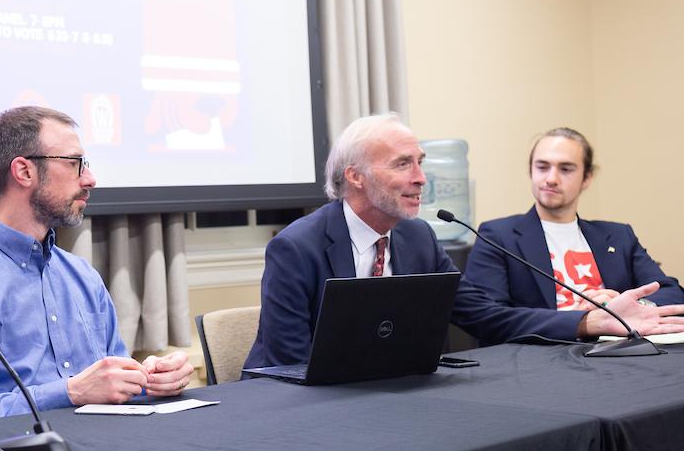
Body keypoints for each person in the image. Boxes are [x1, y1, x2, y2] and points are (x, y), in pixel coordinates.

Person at [243, 114, 684, 370]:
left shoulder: (418, 239)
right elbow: (290, 365)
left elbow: (486, 317)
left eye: (421, 162)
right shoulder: (296, 247)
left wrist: (590, 323)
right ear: (355, 176)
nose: (421, 178)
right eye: (403, 165)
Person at [0, 106, 192, 424]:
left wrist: (151, 381)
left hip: (104, 450)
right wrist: (69, 393)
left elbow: (111, 387)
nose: (90, 179)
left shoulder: (82, 276)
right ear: (24, 172)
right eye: (74, 164)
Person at [464, 127, 682, 310]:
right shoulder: (497, 236)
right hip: (545, 355)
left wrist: (626, 306)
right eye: (542, 167)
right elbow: (490, 318)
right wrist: (581, 320)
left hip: (617, 352)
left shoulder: (618, 236)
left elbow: (672, 293)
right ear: (531, 171)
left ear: (587, 178)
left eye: (565, 169)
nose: (551, 179)